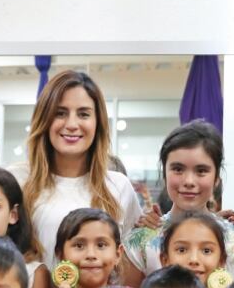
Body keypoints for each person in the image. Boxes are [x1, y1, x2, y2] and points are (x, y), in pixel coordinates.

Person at [16, 70, 141, 266]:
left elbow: (131, 264)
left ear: (97, 122)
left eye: (83, 114)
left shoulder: (119, 186)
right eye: (60, 113)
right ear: (44, 119)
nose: (72, 124)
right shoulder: (17, 181)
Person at [122, 120, 234, 286]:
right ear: (165, 174)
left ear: (217, 178)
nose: (189, 181)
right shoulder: (140, 240)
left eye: (201, 171)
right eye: (178, 169)